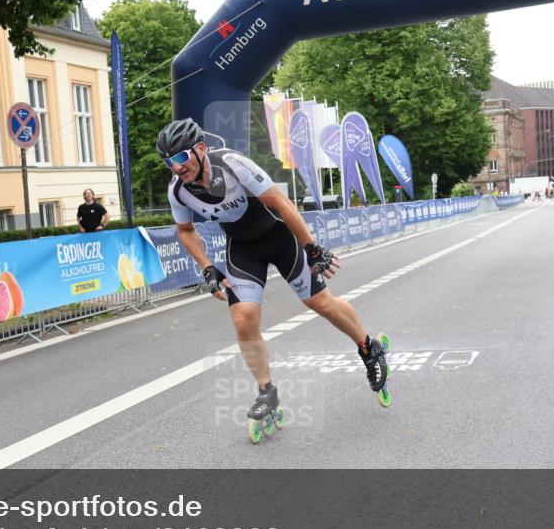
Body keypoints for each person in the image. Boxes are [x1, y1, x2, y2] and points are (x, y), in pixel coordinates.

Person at [155, 118, 390, 440]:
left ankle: (368, 347)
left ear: (200, 149)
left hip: (279, 237)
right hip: (243, 249)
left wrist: (311, 248)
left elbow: (280, 202)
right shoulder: (178, 191)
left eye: (181, 157)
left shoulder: (233, 164)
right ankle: (267, 392)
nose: (176, 167)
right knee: (243, 319)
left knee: (320, 303)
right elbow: (185, 230)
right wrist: (207, 266)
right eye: (168, 162)